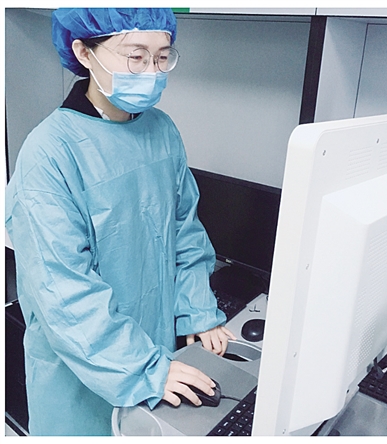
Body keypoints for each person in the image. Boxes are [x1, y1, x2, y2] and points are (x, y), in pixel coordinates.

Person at [5, 8, 236, 436]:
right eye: (136, 56)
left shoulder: (161, 130)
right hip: (81, 378)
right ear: (84, 52)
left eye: (162, 57)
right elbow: (62, 291)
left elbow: (184, 229)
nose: (152, 72)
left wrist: (198, 311)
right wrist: (143, 369)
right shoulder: (49, 153)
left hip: (155, 349)